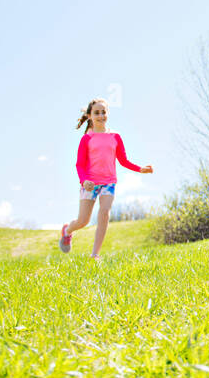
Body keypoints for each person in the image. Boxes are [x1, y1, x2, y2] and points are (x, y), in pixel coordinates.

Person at [58, 98, 153, 258]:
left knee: (105, 213)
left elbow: (123, 161)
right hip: (90, 184)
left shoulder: (115, 137)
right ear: (89, 116)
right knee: (83, 221)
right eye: (97, 112)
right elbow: (79, 165)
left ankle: (95, 255)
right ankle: (67, 230)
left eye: (104, 112)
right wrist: (84, 181)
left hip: (108, 182)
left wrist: (140, 169)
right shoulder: (86, 139)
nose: (101, 115)